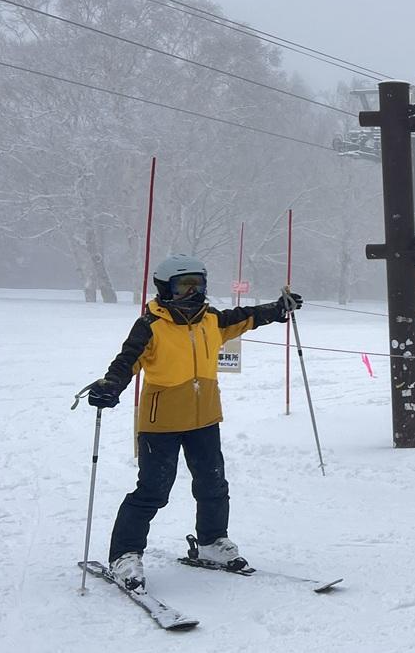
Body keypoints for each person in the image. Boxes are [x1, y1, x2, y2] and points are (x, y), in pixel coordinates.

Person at [86, 253, 302, 591]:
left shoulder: (211, 320)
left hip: (204, 418)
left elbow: (247, 317)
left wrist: (278, 308)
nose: (193, 292)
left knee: (213, 484)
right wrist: (110, 386)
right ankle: (125, 554)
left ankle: (212, 542)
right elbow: (127, 360)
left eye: (198, 285)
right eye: (185, 286)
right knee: (153, 490)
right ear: (166, 288)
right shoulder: (151, 325)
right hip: (162, 422)